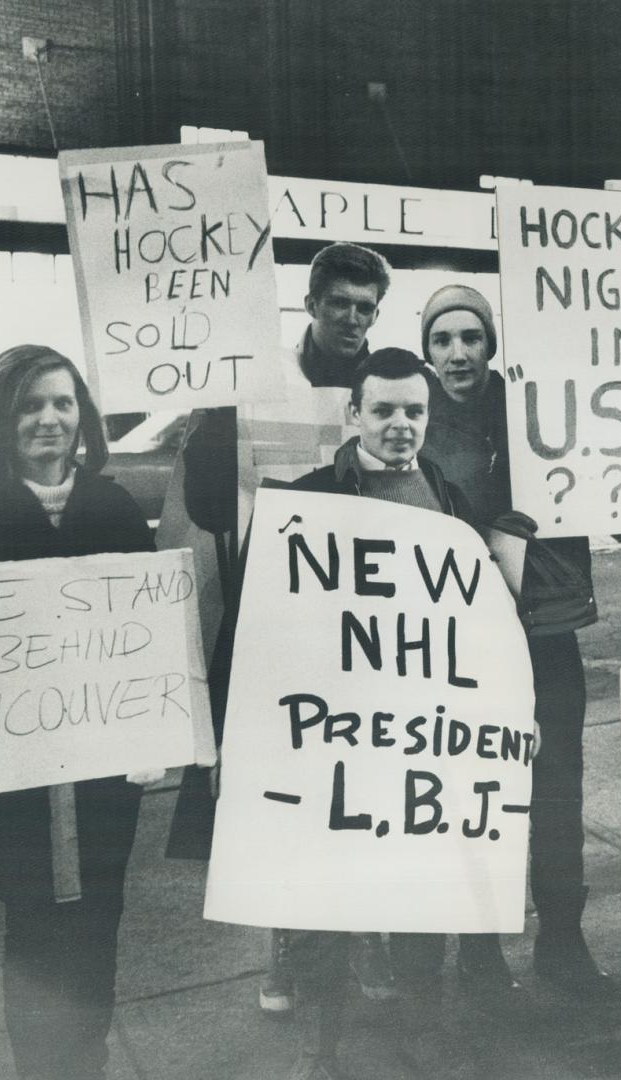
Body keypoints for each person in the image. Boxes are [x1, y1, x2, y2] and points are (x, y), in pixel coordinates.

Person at [230, 348, 473, 1079]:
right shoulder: (301, 498)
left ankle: (422, 1025)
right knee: (319, 896)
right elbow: (260, 621)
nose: (401, 424)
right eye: (385, 409)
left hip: (417, 735)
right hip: (325, 735)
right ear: (354, 413)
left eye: (415, 411)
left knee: (423, 885)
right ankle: (319, 1045)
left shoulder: (450, 499)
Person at [0, 345, 156, 1080]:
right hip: (11, 776)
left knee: (99, 918)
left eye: (61, 402)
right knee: (34, 922)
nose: (49, 418)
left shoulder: (113, 507)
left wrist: (153, 729)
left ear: (82, 414)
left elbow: (146, 636)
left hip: (104, 768)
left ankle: (88, 1058)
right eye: (30, 404)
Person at [175, 242, 399, 1013]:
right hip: (276, 612)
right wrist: (212, 424)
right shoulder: (256, 381)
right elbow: (211, 509)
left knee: (366, 780)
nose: (352, 317)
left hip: (370, 621)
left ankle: (365, 932)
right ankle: (285, 949)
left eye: (366, 307)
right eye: (339, 302)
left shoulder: (394, 385)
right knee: (279, 789)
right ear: (310, 304)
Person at [406, 283, 621, 1002]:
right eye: (442, 340)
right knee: (474, 795)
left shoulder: (538, 400)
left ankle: (563, 941)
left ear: (492, 344)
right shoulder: (418, 421)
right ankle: (480, 953)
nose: (458, 352)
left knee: (556, 792)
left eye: (471, 337)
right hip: (462, 640)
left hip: (545, 629)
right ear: (427, 350)